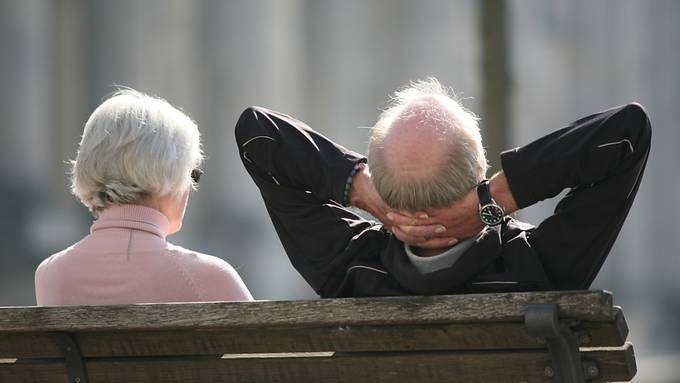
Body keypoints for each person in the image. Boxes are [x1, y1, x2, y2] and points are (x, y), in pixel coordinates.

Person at [235, 78, 651, 298]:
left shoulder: (347, 269)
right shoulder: (539, 266)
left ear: (384, 186)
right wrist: (493, 202)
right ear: (481, 168)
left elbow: (259, 137)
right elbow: (627, 133)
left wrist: (362, 192)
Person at [35, 89, 253, 305]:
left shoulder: (51, 273)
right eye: (192, 174)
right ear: (170, 172)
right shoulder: (210, 276)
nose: (191, 188)